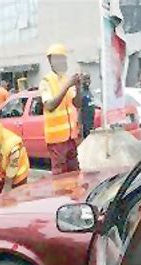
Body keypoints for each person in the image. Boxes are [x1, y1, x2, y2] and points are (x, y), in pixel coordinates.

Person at [39, 43, 82, 175]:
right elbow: (50, 106)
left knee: (74, 172)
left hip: (70, 138)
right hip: (56, 140)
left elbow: (78, 104)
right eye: (56, 59)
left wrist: (78, 87)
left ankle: (75, 196)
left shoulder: (66, 79)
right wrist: (68, 86)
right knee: (60, 176)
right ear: (50, 61)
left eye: (62, 59)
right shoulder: (46, 81)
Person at [0, 119, 30, 194]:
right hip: (1, 173)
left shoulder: (12, 146)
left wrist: (6, 189)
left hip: (18, 175)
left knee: (16, 199)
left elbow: (11, 172)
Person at [80, 74, 95, 138]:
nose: (87, 81)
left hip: (91, 122)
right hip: (85, 123)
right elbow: (78, 108)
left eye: (88, 78)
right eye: (85, 79)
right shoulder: (80, 92)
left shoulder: (89, 92)